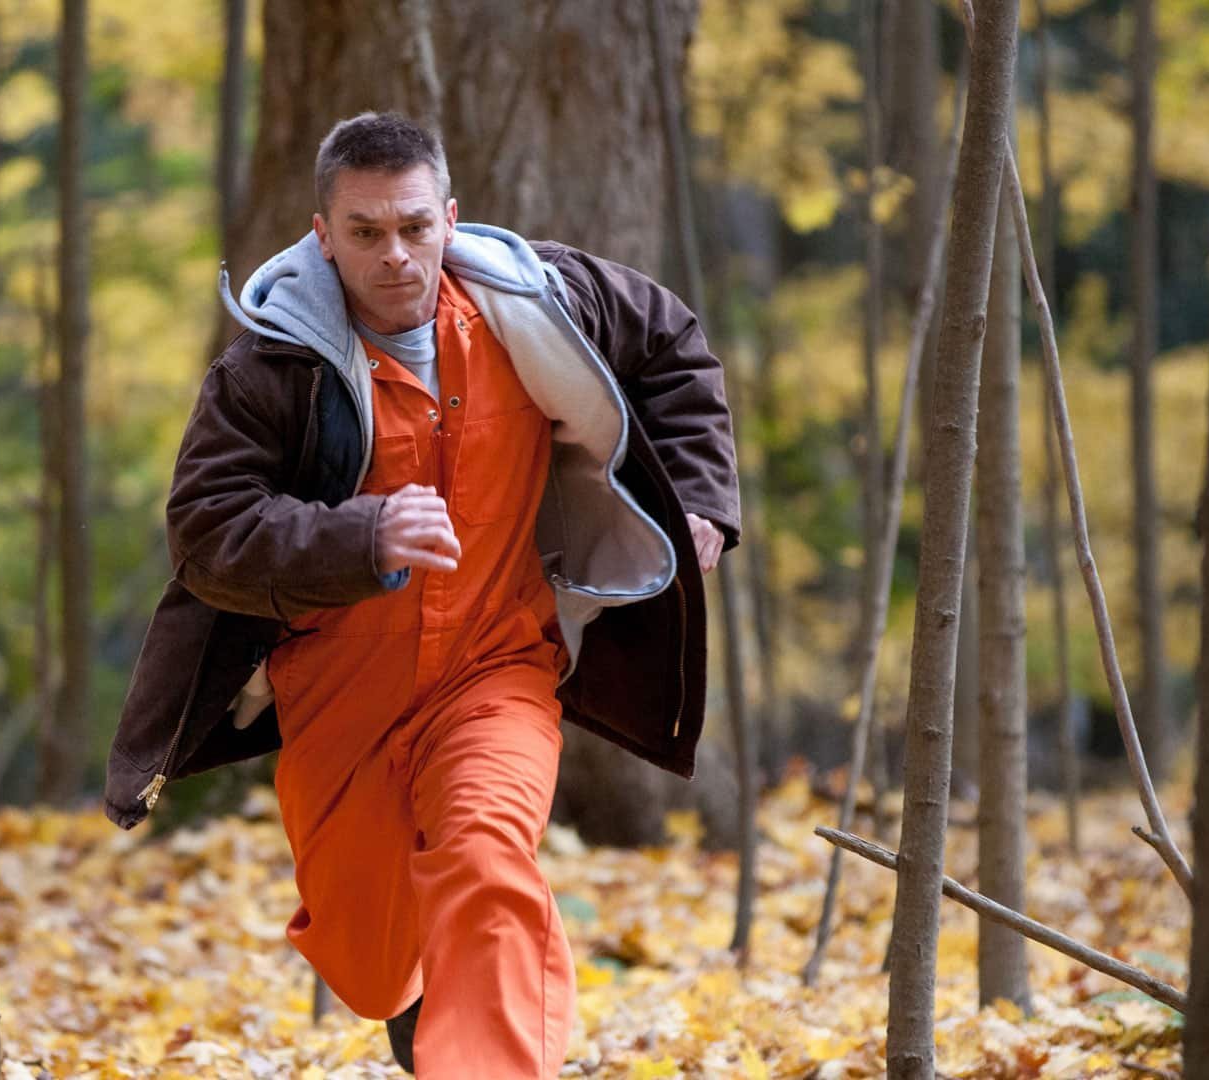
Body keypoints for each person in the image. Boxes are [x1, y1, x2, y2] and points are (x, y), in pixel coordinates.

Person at [103, 111, 740, 1078]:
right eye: (364, 232)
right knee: (369, 958)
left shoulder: (542, 303)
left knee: (488, 856)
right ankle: (426, 1013)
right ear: (323, 234)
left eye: (413, 227)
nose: (394, 254)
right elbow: (206, 529)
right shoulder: (273, 366)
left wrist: (697, 499)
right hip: (340, 693)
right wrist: (361, 535)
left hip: (499, 666)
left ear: (449, 216)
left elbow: (675, 353)